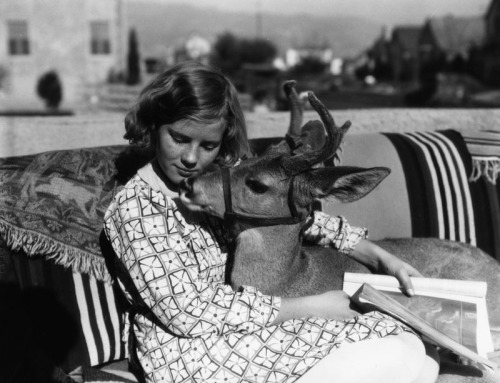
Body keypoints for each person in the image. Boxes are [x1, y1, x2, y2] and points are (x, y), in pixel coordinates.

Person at [103, 61, 439, 383]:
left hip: (241, 331)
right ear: (153, 125)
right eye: (179, 139)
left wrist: (378, 256)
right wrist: (310, 307)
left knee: (415, 352)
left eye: (208, 145)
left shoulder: (210, 185)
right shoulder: (136, 208)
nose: (192, 158)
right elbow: (187, 313)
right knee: (400, 354)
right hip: (186, 357)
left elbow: (288, 214)